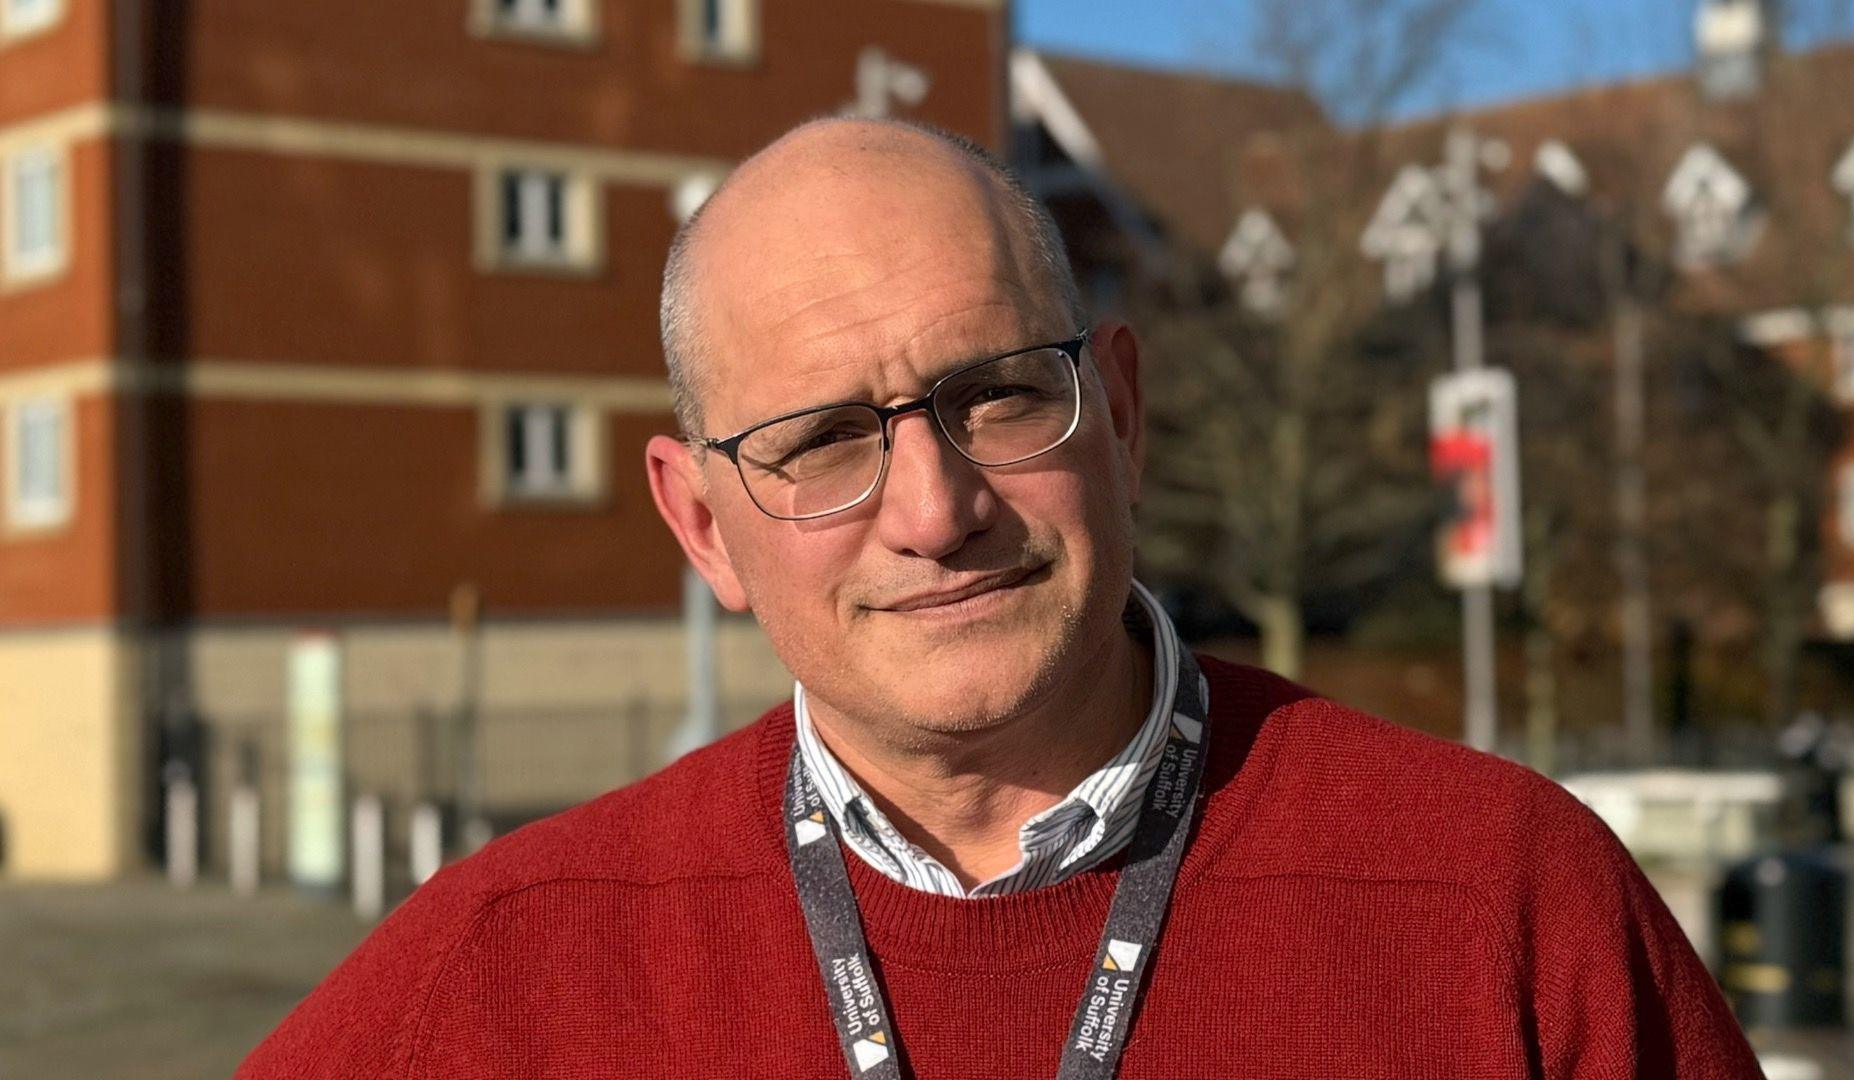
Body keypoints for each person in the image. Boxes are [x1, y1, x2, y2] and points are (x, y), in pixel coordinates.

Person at [241, 118, 1762, 1079]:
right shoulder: (506, 966)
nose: (934, 510)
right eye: (823, 441)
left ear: (1124, 412)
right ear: (703, 526)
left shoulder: (1501, 902)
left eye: (998, 398)